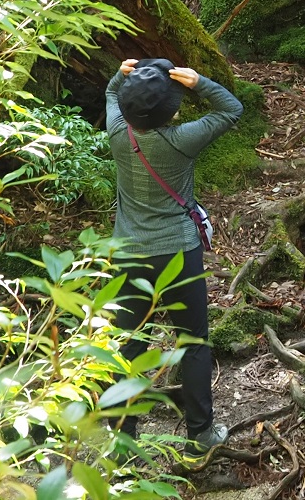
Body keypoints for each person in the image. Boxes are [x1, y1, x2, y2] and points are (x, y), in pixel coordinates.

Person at [105, 55, 243, 457]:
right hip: (178, 253)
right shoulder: (183, 139)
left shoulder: (117, 131)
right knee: (193, 342)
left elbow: (112, 91)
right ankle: (199, 434)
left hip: (127, 252)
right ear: (174, 109)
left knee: (127, 343)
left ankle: (123, 440)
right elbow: (232, 108)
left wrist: (122, 73)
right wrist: (200, 82)